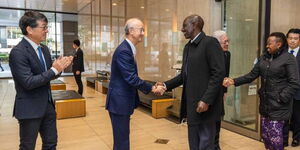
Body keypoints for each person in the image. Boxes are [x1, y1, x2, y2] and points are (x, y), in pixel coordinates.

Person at [157, 15, 226, 150]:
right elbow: (184, 75)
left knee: (205, 146)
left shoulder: (210, 43)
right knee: (194, 145)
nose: (182, 29)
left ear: (195, 25)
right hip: (192, 107)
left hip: (206, 107)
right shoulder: (188, 47)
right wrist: (165, 85)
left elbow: (218, 74)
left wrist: (206, 100)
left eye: (185, 26)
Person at [223, 32, 300, 150]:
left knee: (276, 140)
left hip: (279, 107)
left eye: (270, 43)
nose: (267, 46)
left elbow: (294, 82)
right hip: (265, 105)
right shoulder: (264, 57)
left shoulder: (289, 59)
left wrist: (281, 97)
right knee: (266, 138)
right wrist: (233, 81)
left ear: (279, 44)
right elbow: (251, 75)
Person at [9, 11, 73, 150]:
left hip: (48, 106)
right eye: (43, 27)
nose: (46, 31)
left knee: (51, 144)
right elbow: (28, 82)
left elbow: (49, 75)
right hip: (29, 108)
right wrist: (54, 70)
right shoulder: (18, 52)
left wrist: (60, 67)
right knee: (27, 146)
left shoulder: (43, 49)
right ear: (29, 29)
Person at [105, 18, 165, 150]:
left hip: (121, 102)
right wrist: (152, 88)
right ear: (131, 31)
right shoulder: (124, 51)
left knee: (122, 138)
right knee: (122, 141)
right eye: (141, 30)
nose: (143, 33)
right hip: (119, 103)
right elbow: (131, 78)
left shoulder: (127, 48)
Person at [212, 30, 231, 150]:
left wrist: (225, 91)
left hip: (220, 91)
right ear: (216, 43)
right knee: (211, 121)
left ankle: (215, 144)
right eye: (225, 42)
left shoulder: (227, 54)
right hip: (210, 91)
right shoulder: (210, 54)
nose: (227, 44)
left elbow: (226, 74)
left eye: (228, 41)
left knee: (218, 119)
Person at [283, 28, 300, 147]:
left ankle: (296, 138)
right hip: (283, 91)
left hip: (298, 92)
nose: (292, 41)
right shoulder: (282, 52)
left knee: (297, 117)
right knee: (283, 117)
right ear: (286, 39)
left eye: (295, 38)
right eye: (290, 38)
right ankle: (283, 139)